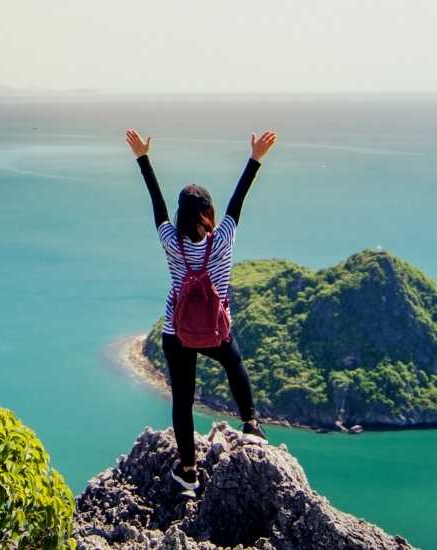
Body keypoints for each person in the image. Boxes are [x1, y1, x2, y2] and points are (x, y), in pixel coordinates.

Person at [125, 128, 277, 498]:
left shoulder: (170, 242)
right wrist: (255, 159)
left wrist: (143, 158)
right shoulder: (222, 240)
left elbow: (157, 206)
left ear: (181, 215)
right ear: (209, 212)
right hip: (215, 331)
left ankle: (189, 472)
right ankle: (251, 424)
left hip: (177, 333)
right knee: (234, 363)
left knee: (182, 399)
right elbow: (237, 203)